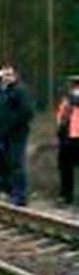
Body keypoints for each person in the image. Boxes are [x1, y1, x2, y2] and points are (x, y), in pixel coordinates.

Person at [0, 64, 32, 206]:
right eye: (3, 75)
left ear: (14, 76)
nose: (6, 78)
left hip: (16, 135)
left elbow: (26, 112)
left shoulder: (20, 91)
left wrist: (13, 124)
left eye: (9, 75)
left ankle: (19, 195)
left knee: (16, 163)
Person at [56, 74, 79, 205]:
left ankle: (66, 196)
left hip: (72, 137)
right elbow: (61, 117)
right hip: (67, 137)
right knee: (66, 168)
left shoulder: (68, 100)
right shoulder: (67, 100)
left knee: (66, 169)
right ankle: (66, 195)